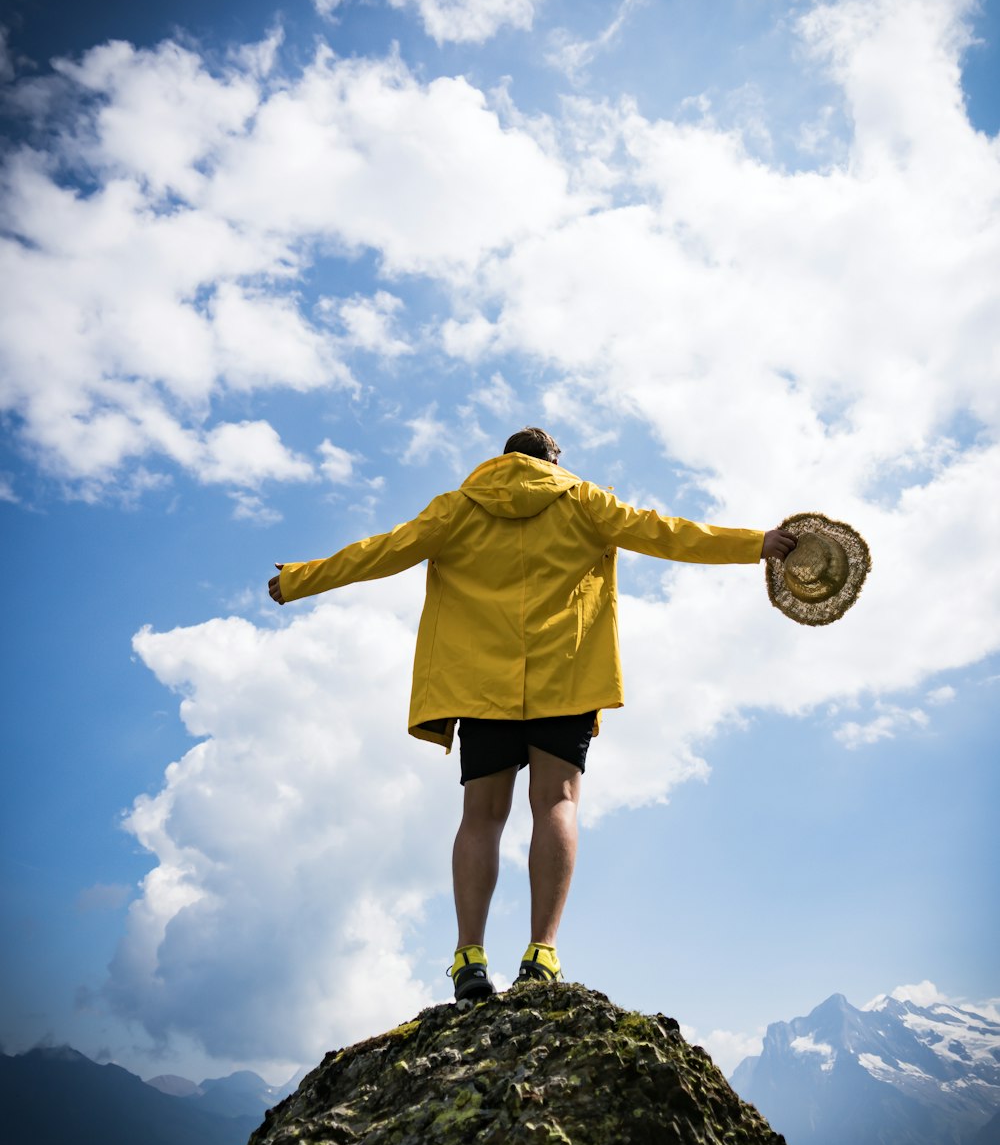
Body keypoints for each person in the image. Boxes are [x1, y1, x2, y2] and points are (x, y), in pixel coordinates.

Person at [269, 427, 796, 1004]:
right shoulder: (584, 501)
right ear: (552, 459)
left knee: (481, 817)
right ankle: (541, 954)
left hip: (481, 686)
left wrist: (300, 578)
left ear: (502, 460)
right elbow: (665, 533)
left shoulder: (456, 508)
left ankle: (469, 956)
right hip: (564, 676)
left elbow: (381, 550)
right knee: (557, 803)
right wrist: (757, 543)